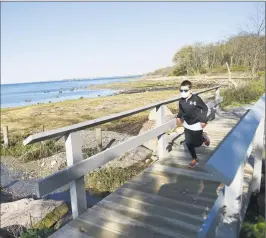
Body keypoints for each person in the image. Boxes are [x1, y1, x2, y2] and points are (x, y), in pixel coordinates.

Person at [176, 80, 210, 168]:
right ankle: (194, 159)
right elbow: (181, 111)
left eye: (185, 90)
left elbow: (205, 108)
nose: (183, 92)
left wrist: (203, 120)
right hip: (187, 124)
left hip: (196, 124)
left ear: (190, 90)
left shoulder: (196, 99)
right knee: (188, 142)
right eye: (181, 90)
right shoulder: (181, 101)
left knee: (197, 144)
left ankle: (203, 138)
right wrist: (178, 117)